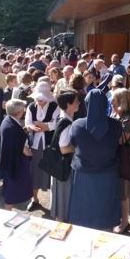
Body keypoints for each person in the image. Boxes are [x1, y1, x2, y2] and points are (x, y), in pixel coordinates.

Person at [69, 89, 123, 230]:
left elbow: (73, 143)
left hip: (84, 173)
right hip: (108, 172)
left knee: (85, 209)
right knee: (106, 207)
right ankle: (107, 233)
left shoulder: (77, 125)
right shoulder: (116, 124)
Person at [25, 82, 60, 210]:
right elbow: (28, 123)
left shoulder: (55, 107)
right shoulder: (31, 107)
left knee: (51, 173)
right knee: (35, 172)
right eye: (38, 99)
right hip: (35, 144)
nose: (39, 101)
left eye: (42, 99)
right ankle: (34, 199)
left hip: (49, 144)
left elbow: (55, 124)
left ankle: (54, 204)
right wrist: (33, 126)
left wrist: (43, 126)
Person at [0, 99, 33, 210]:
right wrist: (32, 154)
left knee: (9, 191)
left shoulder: (7, 120)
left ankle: (8, 211)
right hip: (14, 165)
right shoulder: (13, 129)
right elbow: (24, 150)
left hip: (7, 162)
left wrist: (24, 129)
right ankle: (7, 213)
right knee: (11, 193)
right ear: (19, 112)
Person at [50, 90, 79, 222]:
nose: (78, 103)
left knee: (61, 199)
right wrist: (78, 147)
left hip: (59, 165)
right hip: (63, 166)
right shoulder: (66, 123)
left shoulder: (64, 119)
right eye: (76, 101)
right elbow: (64, 149)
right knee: (62, 200)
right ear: (69, 104)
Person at [110, 88, 130, 233]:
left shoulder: (127, 118)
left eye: (114, 99)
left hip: (122, 158)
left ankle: (125, 222)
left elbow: (121, 140)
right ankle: (117, 218)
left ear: (121, 101)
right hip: (114, 157)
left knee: (122, 192)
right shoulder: (116, 114)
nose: (111, 102)